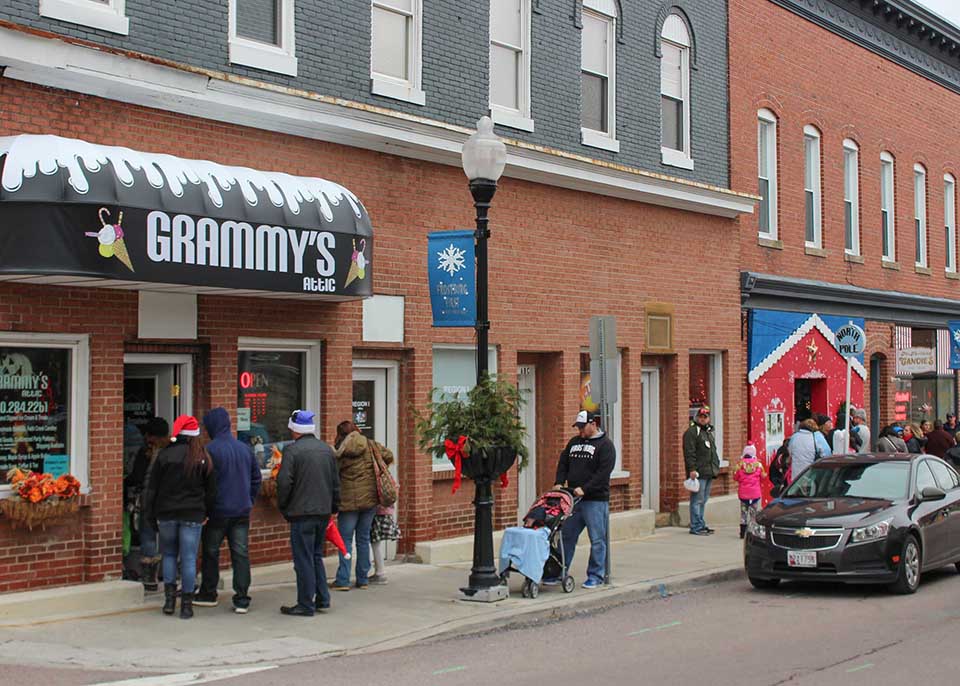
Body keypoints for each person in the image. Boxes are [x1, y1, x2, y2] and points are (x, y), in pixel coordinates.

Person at [143, 415, 217, 620]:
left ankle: (169, 602)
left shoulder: (165, 456)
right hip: (193, 514)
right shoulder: (203, 457)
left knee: (168, 555)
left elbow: (152, 489)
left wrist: (150, 515)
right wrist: (206, 513)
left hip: (166, 513)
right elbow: (211, 491)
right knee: (189, 558)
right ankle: (186, 605)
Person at [194, 408, 262, 613]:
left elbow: (203, 483)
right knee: (240, 554)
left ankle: (208, 593)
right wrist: (249, 500)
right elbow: (256, 479)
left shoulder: (209, 450)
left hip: (217, 511)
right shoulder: (244, 449)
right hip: (241, 511)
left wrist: (204, 509)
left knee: (210, 552)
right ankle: (242, 598)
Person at [277, 410, 340, 617]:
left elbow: (284, 482)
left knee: (303, 559)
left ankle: (305, 603)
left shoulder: (292, 451)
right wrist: (333, 507)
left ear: (295, 430)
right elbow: (335, 482)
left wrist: (284, 507)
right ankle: (322, 598)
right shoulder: (326, 450)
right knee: (316, 556)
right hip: (322, 512)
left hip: (301, 513)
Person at [550, 410, 616, 588]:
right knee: (566, 536)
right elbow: (563, 463)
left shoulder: (605, 445)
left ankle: (596, 575)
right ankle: (558, 572)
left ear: (593, 424)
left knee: (597, 539)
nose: (579, 431)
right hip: (573, 500)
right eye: (578, 427)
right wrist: (559, 482)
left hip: (595, 500)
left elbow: (603, 473)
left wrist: (585, 489)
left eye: (582, 427)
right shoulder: (574, 442)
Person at [331, 421, 379, 591]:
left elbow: (333, 474)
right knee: (363, 539)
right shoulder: (370, 444)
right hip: (369, 500)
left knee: (345, 541)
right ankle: (363, 579)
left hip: (348, 503)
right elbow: (387, 456)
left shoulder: (339, 452)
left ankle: (343, 580)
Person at [123, 417, 170, 592]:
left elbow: (137, 477)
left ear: (150, 436)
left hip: (149, 500)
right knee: (169, 537)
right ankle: (168, 572)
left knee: (148, 535)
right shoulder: (173, 451)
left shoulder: (146, 453)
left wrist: (124, 482)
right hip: (170, 501)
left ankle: (150, 578)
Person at [683, 406, 721, 536]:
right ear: (697, 418)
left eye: (705, 417)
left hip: (708, 471)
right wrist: (692, 469)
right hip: (699, 472)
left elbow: (712, 451)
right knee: (697, 500)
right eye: (701, 417)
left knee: (703, 500)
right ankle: (696, 526)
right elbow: (689, 452)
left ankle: (700, 523)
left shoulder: (708, 432)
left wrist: (716, 465)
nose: (703, 419)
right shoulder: (693, 432)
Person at [369, 446, 400, 585]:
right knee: (376, 543)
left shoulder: (380, 476)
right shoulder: (388, 475)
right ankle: (379, 571)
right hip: (386, 513)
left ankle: (380, 573)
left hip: (379, 514)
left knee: (375, 543)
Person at [733, 443, 764, 539]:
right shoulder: (758, 465)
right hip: (755, 494)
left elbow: (735, 477)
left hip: (743, 495)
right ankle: (753, 532)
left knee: (743, 514)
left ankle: (742, 533)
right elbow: (763, 476)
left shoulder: (739, 465)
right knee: (754, 514)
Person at [787, 418, 821, 483]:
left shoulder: (794, 437)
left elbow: (790, 451)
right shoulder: (815, 437)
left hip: (796, 472)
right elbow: (823, 452)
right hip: (810, 470)